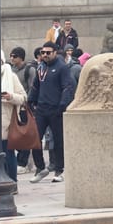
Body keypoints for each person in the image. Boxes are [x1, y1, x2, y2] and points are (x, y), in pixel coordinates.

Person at [29, 42, 74, 182]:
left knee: (59, 141)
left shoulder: (62, 67)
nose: (45, 55)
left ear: (55, 52)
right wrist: (31, 100)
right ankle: (41, 168)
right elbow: (36, 85)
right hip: (41, 109)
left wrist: (62, 105)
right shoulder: (41, 67)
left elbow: (68, 87)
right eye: (43, 53)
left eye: (48, 52)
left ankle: (59, 170)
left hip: (56, 109)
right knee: (35, 140)